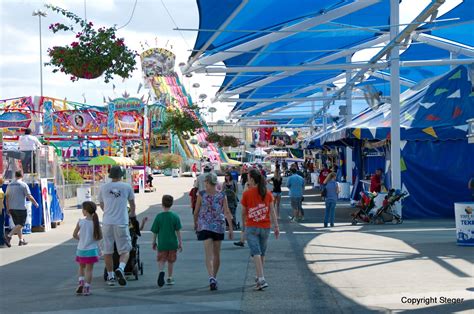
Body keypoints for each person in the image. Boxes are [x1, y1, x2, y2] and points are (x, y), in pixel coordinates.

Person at [193, 173, 234, 291]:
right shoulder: (222, 195)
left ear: (209, 183)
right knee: (216, 254)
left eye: (205, 182)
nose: (204, 184)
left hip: (205, 226)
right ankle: (213, 277)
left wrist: (195, 223)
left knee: (209, 254)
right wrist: (230, 228)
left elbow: (196, 211)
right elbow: (227, 212)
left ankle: (211, 277)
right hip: (219, 226)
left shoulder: (201, 195)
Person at [241, 169, 279, 290]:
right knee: (261, 253)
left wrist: (243, 226)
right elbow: (272, 211)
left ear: (252, 179)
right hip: (265, 227)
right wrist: (276, 226)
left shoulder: (247, 193)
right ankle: (259, 276)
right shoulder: (267, 193)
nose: (247, 180)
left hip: (251, 226)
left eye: (248, 178)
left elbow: (243, 212)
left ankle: (261, 278)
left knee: (256, 253)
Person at [99, 166, 136, 286]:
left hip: (107, 222)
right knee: (125, 250)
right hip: (121, 222)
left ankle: (110, 277)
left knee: (107, 251)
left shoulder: (103, 187)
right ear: (121, 175)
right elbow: (132, 204)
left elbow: (101, 204)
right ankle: (120, 268)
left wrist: (108, 211)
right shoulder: (126, 187)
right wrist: (131, 215)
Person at [151, 195, 182, 287]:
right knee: (171, 261)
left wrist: (153, 242)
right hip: (172, 243)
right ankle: (170, 277)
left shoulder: (159, 217)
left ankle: (161, 272)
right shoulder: (175, 216)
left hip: (162, 243)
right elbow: (178, 231)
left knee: (161, 260)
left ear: (162, 203)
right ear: (171, 204)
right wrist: (180, 242)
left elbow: (155, 232)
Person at [73, 201, 102, 296]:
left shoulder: (80, 222)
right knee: (89, 270)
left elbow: (74, 235)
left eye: (82, 209)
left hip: (81, 249)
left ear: (85, 211)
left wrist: (81, 240)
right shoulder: (96, 223)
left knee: (81, 267)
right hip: (92, 250)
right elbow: (100, 237)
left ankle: (81, 282)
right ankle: (86, 288)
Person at [4, 171, 39, 247]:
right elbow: (29, 196)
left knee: (17, 224)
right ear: (22, 176)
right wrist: (35, 203)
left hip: (12, 208)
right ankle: (9, 236)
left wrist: (7, 207)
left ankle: (21, 240)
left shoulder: (9, 185)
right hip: (20, 208)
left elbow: (6, 197)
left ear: (15, 175)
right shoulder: (23, 185)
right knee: (21, 224)